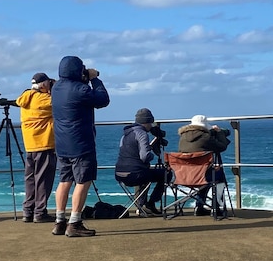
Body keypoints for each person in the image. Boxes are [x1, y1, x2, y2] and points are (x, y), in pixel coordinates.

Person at [51, 56, 110, 237]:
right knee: (83, 181)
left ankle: (59, 221)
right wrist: (94, 78)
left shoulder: (56, 88)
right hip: (81, 143)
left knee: (64, 181)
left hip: (61, 143)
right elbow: (103, 100)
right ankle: (74, 222)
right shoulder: (80, 89)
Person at [14, 72, 56, 224]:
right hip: (44, 143)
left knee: (30, 179)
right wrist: (54, 87)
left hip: (30, 145)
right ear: (44, 85)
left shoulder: (25, 99)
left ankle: (28, 211)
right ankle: (40, 212)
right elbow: (60, 102)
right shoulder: (45, 99)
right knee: (44, 179)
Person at [114, 108, 167, 216]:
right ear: (147, 122)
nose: (151, 126)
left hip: (119, 174)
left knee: (145, 173)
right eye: (151, 123)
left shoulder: (125, 135)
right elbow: (144, 157)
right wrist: (151, 152)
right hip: (135, 174)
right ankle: (150, 204)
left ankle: (141, 206)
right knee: (166, 174)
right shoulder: (142, 134)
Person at [177, 114, 231, 216]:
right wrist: (219, 132)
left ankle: (199, 206)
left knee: (204, 175)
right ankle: (217, 207)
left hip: (185, 176)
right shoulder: (206, 137)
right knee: (218, 176)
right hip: (202, 175)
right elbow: (222, 147)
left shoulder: (182, 138)